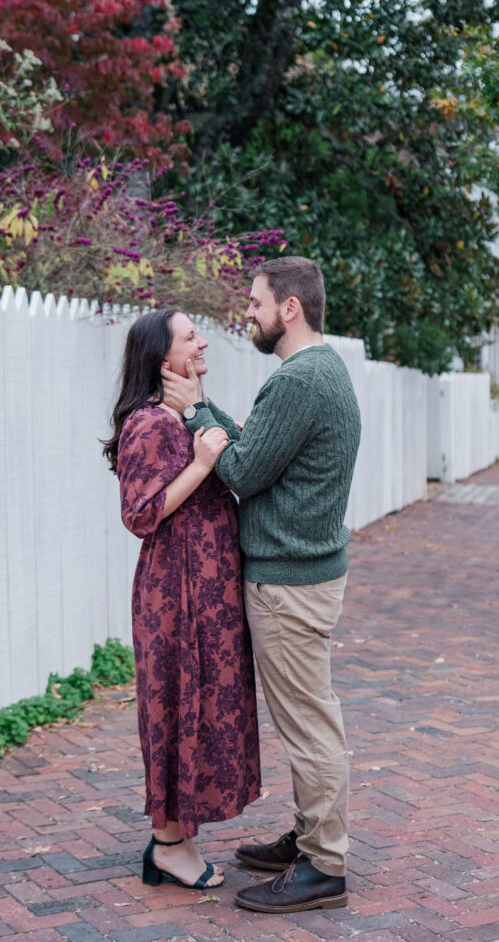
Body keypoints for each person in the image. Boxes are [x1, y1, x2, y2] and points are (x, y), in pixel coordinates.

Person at [162, 256, 362, 914]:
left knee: (308, 725)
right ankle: (310, 840)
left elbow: (242, 469)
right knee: (308, 716)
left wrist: (193, 413)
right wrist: (207, 410)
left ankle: (324, 865)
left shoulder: (300, 379)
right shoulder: (313, 371)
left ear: (290, 308)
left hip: (289, 584)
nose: (246, 312)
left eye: (254, 302)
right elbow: (258, 443)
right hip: (302, 576)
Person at [102, 308, 261, 891]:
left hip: (207, 590)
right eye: (189, 336)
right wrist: (201, 464)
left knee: (202, 707)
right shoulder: (148, 423)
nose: (202, 341)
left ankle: (178, 837)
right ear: (161, 358)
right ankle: (168, 844)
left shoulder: (182, 415)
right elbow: (139, 513)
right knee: (175, 706)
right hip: (176, 593)